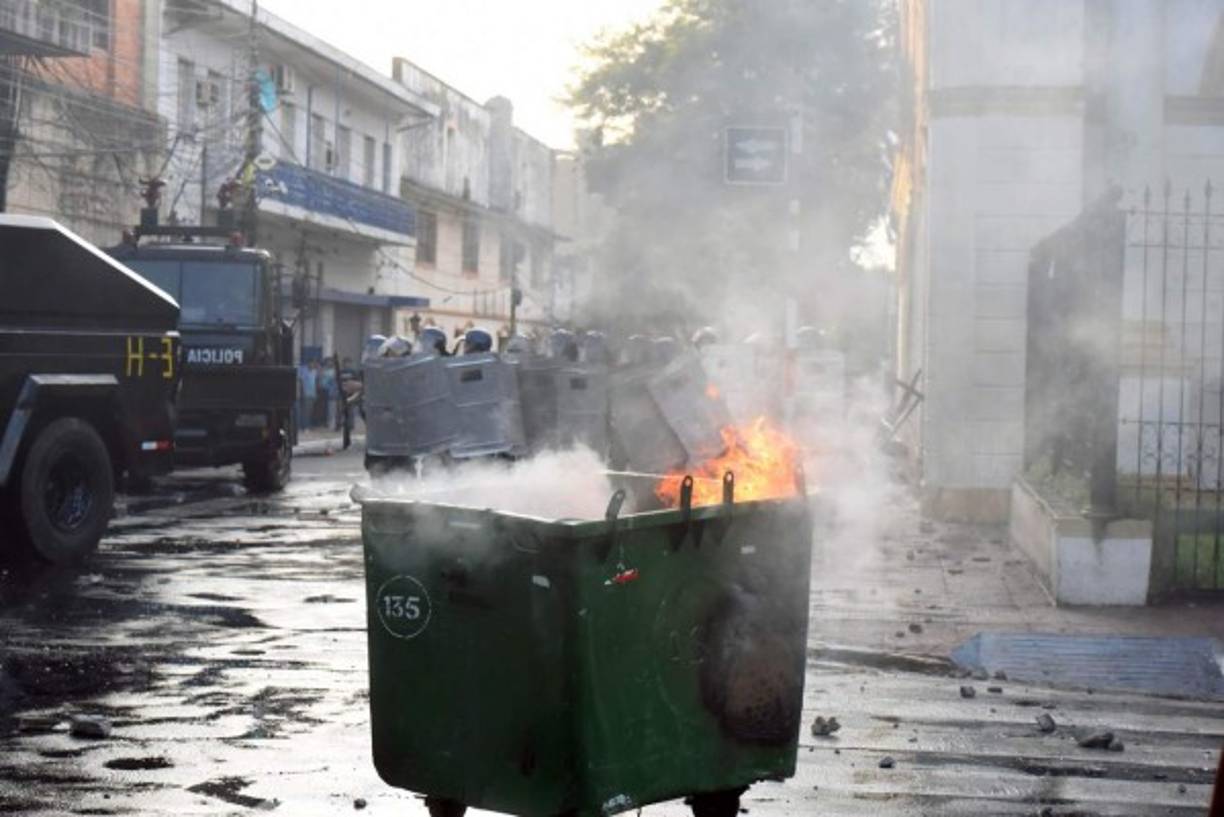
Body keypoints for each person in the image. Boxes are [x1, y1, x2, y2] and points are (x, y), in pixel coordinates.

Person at [299, 359, 318, 430]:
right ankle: (305, 426)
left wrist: (316, 393)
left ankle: (308, 425)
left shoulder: (315, 372)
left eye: (313, 364)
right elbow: (301, 383)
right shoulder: (304, 371)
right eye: (311, 363)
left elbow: (315, 383)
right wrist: (302, 392)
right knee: (305, 411)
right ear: (308, 364)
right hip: (306, 393)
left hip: (313, 394)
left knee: (310, 411)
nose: (312, 365)